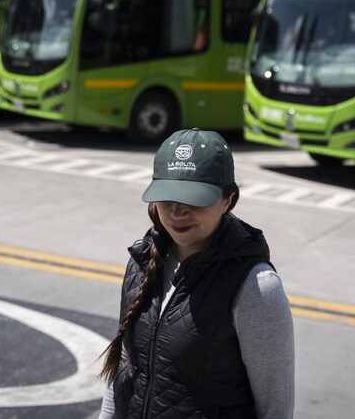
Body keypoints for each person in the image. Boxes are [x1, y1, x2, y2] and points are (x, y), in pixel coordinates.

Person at [98, 128, 295, 419]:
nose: (178, 212)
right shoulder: (141, 262)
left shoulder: (256, 288)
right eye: (167, 196)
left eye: (195, 199)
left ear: (228, 200)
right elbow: (127, 370)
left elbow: (275, 410)